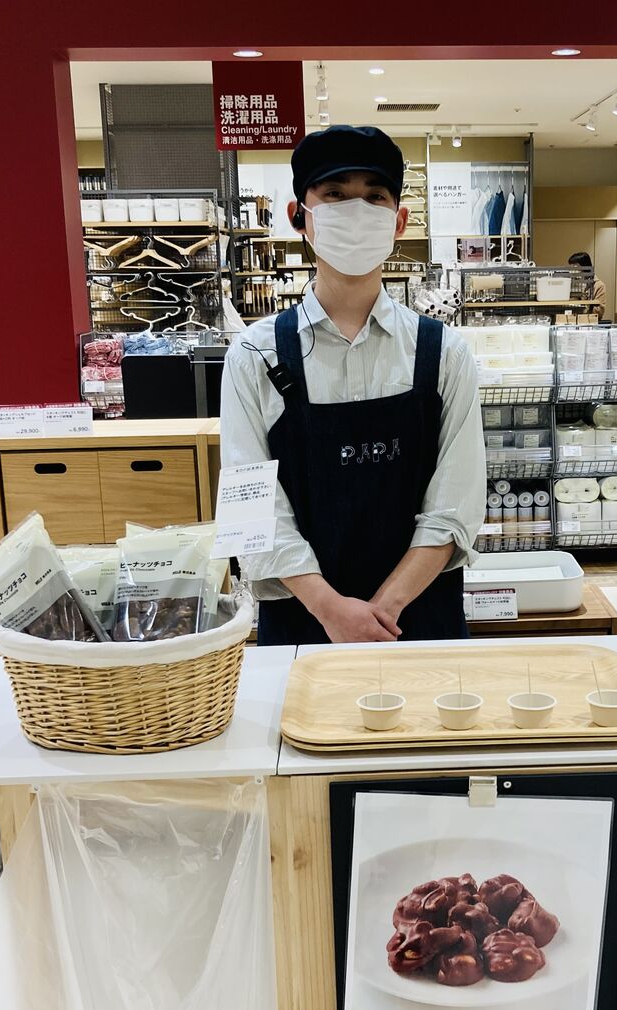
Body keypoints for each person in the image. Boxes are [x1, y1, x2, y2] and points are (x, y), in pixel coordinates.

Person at [220, 124, 485, 646]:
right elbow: (253, 510)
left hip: (418, 618)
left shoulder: (445, 354)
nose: (356, 209)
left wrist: (381, 611)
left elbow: (456, 506)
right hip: (304, 620)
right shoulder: (253, 355)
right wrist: (331, 610)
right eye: (335, 195)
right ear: (300, 217)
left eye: (375, 196)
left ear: (399, 220)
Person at [568, 252, 607, 320]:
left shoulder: (598, 285)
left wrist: (584, 298)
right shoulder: (572, 283)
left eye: (575, 266)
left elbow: (599, 312)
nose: (572, 270)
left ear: (584, 266)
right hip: (572, 321)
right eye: (571, 266)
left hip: (590, 322)